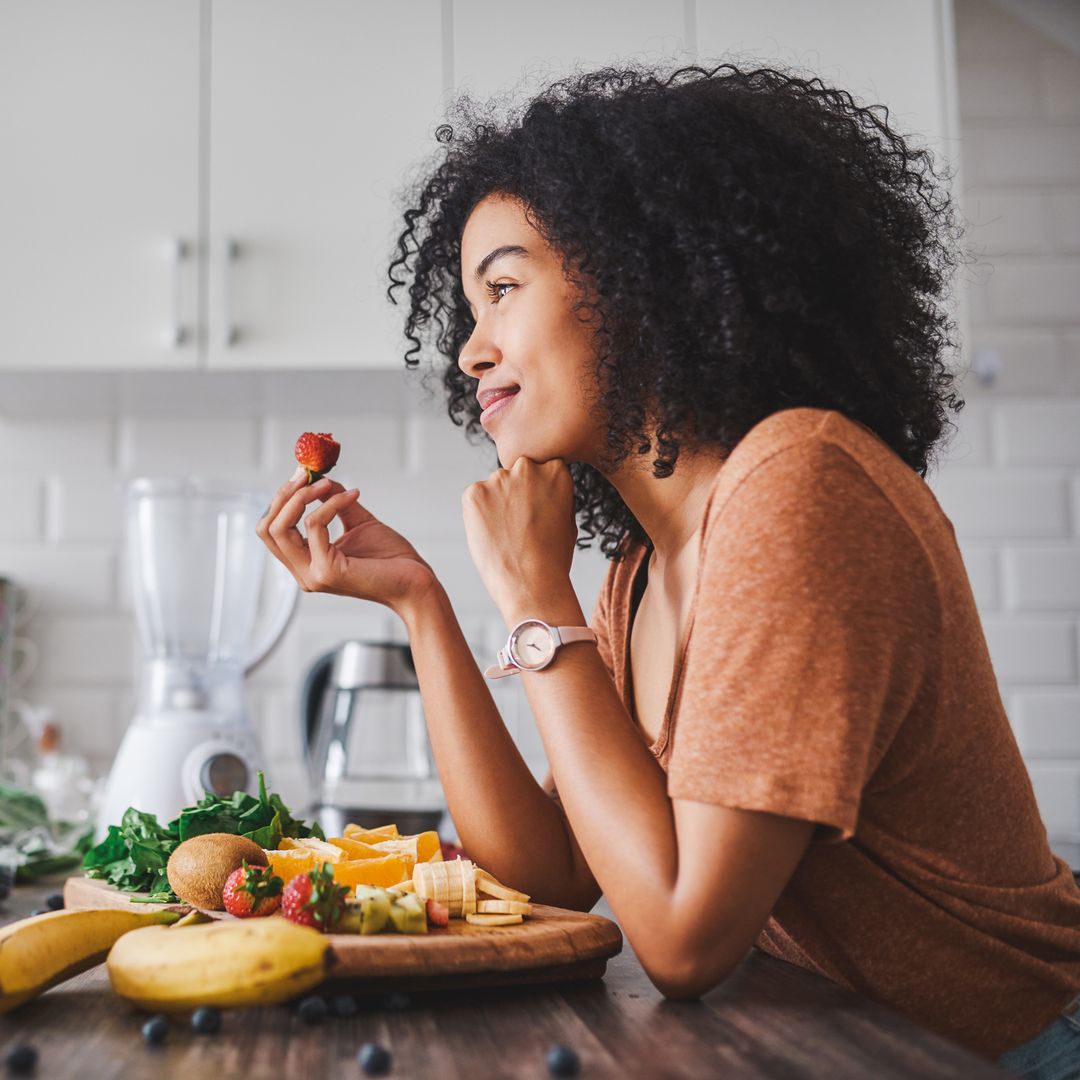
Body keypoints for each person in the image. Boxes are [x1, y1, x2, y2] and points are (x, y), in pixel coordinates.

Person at [257, 62, 1080, 1073]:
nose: (470, 351)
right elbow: (555, 875)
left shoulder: (800, 486)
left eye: (504, 289)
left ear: (641, 279)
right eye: (470, 310)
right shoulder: (639, 573)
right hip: (846, 1043)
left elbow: (684, 939)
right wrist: (423, 605)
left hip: (1014, 1050)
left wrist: (535, 598)